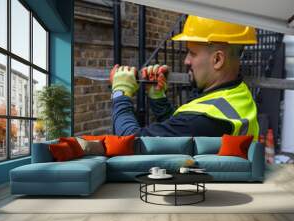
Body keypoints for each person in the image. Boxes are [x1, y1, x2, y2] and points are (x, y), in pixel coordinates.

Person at [110, 15, 259, 139]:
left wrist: (120, 93)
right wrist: (158, 98)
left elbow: (131, 141)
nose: (186, 61)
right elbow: (180, 132)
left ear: (218, 60)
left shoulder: (202, 119)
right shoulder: (239, 94)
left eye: (192, 53)